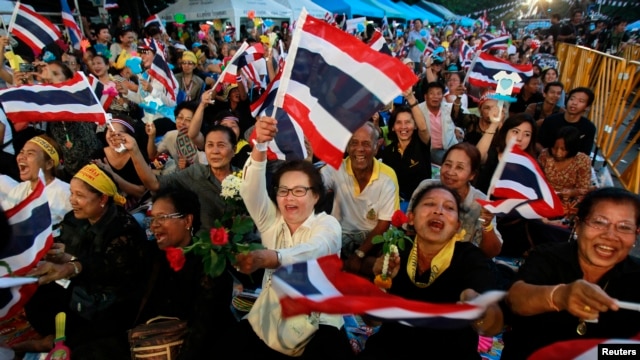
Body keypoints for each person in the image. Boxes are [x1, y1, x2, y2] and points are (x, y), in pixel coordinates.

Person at [229, 116, 353, 359]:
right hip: (271, 313)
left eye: (299, 191)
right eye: (283, 191)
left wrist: (271, 257)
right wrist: (260, 145)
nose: (290, 198)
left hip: (318, 319)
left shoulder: (327, 225)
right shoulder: (271, 220)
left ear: (316, 196)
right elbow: (250, 191)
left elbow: (314, 250)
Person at [18, 164, 151, 359]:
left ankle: (48, 343)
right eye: (71, 193)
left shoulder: (124, 229)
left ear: (103, 199)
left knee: (85, 346)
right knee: (34, 290)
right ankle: (54, 337)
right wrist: (55, 253)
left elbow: (107, 267)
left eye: (79, 195)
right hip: (80, 289)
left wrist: (71, 265)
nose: (73, 200)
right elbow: (67, 248)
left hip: (112, 302)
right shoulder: (75, 218)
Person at [359, 184, 504, 360]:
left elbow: (493, 326)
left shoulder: (470, 258)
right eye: (429, 204)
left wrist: (477, 307)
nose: (439, 211)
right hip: (394, 347)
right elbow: (372, 321)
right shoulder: (398, 250)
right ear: (411, 218)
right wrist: (381, 286)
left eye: (449, 207)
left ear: (457, 226)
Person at [501, 187, 640, 359]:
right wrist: (560, 296)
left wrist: (596, 353)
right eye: (599, 222)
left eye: (625, 227)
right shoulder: (547, 256)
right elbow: (515, 299)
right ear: (578, 225)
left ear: (636, 234)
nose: (610, 235)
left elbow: (633, 350)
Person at [139, 187, 237, 357]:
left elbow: (204, 329)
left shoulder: (209, 264)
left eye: (162, 217)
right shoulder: (152, 254)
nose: (154, 225)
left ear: (187, 221)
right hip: (155, 342)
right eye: (152, 218)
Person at [320, 122, 400, 277]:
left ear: (377, 147)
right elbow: (313, 187)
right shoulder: (335, 168)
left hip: (373, 238)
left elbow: (384, 223)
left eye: (366, 144)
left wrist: (359, 254)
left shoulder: (388, 176)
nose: (359, 149)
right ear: (348, 146)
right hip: (341, 236)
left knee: (378, 267)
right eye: (354, 143)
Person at [123, 125, 238, 230]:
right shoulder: (195, 173)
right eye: (210, 145)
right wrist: (134, 150)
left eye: (221, 145)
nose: (215, 151)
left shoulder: (245, 178)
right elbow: (154, 184)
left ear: (234, 150)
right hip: (204, 246)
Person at [409, 143, 503, 258]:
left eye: (459, 167)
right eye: (447, 164)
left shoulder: (481, 203)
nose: (450, 172)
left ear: (472, 175)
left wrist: (487, 225)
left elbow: (491, 252)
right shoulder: (426, 188)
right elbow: (410, 230)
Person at [1, 135, 71, 237]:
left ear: (49, 164)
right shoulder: (19, 189)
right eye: (21, 152)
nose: (21, 157)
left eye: (30, 154)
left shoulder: (66, 193)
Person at [381, 90, 431, 202]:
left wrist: (410, 98)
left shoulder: (421, 144)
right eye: (399, 122)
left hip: (422, 202)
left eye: (408, 122)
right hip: (396, 204)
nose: (403, 127)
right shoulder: (388, 152)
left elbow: (423, 128)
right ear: (393, 127)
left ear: (414, 125)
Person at [538, 126, 593, 220]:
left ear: (572, 148)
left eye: (563, 150)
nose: (558, 153)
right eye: (555, 148)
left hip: (568, 203)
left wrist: (571, 193)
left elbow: (584, 189)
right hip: (544, 198)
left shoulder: (583, 161)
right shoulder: (545, 155)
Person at [537, 87, 596, 156]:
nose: (574, 103)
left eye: (581, 101)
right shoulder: (551, 120)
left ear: (587, 107)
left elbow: (585, 154)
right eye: (572, 99)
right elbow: (538, 143)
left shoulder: (589, 128)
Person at [417, 81, 459, 165]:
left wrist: (458, 129)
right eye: (432, 93)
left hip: (451, 147)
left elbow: (463, 117)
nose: (435, 97)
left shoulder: (449, 108)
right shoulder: (418, 110)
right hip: (431, 150)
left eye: (439, 93)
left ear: (442, 96)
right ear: (426, 96)